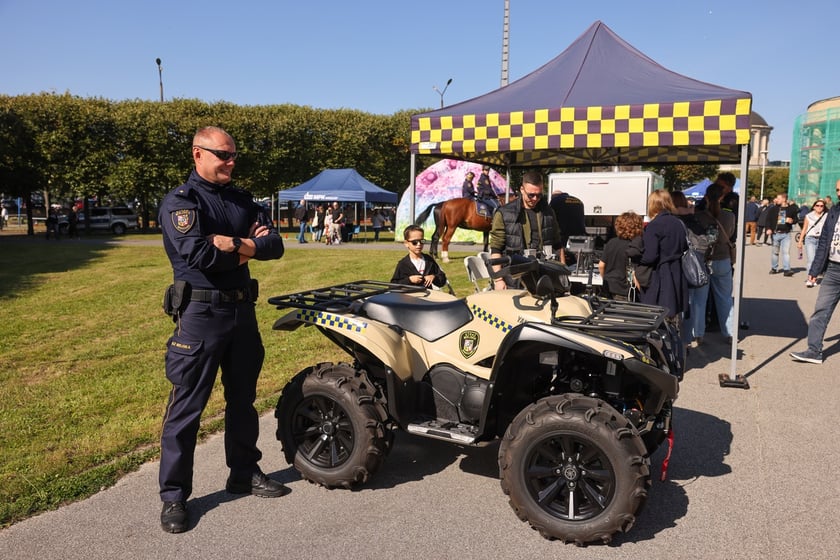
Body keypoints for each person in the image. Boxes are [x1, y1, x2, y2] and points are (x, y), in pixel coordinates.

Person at [157, 126, 287, 534]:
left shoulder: (243, 199)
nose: (231, 162)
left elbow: (276, 246)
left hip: (241, 313)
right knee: (187, 408)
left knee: (243, 400)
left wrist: (233, 244)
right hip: (200, 315)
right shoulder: (182, 202)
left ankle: (243, 473)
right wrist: (249, 245)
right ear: (197, 153)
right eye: (223, 155)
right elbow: (198, 255)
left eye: (234, 155)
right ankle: (174, 495)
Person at [790, 180, 840, 364]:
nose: (839, 193)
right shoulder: (834, 211)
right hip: (833, 269)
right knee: (821, 309)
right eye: (837, 190)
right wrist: (815, 270)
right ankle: (814, 350)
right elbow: (824, 241)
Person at [489, 170, 563, 289]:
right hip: (514, 278)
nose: (535, 199)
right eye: (531, 195)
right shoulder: (504, 213)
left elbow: (558, 244)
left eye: (539, 195)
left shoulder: (548, 212)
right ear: (522, 189)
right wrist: (498, 280)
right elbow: (496, 249)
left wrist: (562, 273)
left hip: (543, 275)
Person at [688, 183, 735, 346]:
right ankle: (729, 333)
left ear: (706, 197)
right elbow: (731, 234)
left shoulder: (698, 216)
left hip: (703, 260)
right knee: (725, 299)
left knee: (699, 300)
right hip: (723, 259)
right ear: (722, 197)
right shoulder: (729, 216)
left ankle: (698, 334)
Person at [636, 190, 688, 324]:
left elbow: (650, 256)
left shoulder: (654, 226)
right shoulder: (678, 223)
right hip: (676, 272)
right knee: (672, 317)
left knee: (655, 317)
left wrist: (637, 259)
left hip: (659, 276)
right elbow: (684, 246)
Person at [597, 211, 643, 300]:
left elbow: (601, 265)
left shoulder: (611, 242)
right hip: (624, 291)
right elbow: (634, 272)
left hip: (608, 288)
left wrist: (604, 279)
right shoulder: (634, 246)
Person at [766, 193, 799, 276]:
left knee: (786, 252)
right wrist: (768, 229)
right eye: (777, 198)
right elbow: (768, 220)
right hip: (775, 233)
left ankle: (786, 270)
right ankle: (774, 268)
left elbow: (796, 219)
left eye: (779, 198)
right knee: (775, 252)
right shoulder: (773, 209)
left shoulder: (791, 209)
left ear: (784, 199)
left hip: (786, 234)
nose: (777, 200)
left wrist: (791, 221)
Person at [798, 199, 828, 287]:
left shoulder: (826, 216)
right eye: (817, 205)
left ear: (824, 207)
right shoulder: (808, 216)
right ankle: (809, 279)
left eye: (821, 206)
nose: (819, 207)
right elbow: (804, 229)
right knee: (811, 259)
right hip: (810, 239)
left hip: (822, 240)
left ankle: (814, 278)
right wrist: (800, 241)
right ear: (814, 206)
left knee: (819, 260)